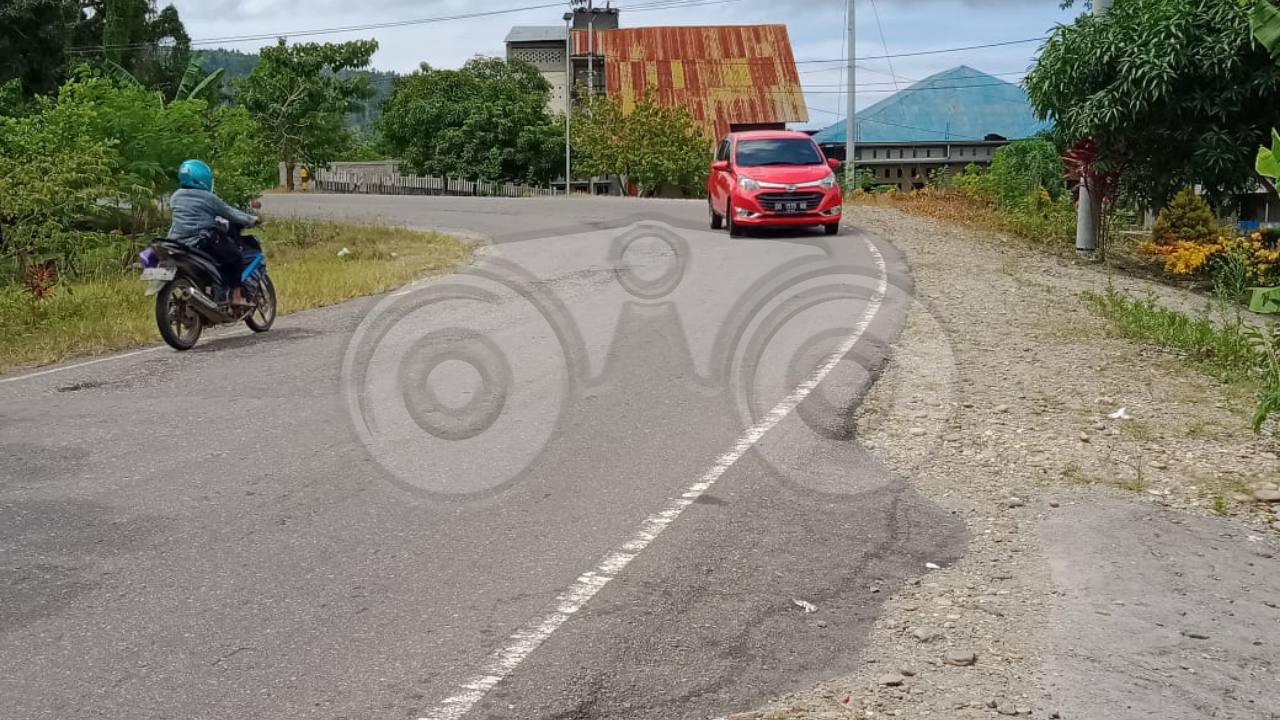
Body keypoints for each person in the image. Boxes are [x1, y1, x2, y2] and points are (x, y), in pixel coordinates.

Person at [166, 159, 258, 306]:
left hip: (177, 242)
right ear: (203, 178)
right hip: (201, 241)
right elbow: (230, 213)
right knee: (235, 258)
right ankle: (236, 296)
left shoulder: (175, 197)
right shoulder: (208, 198)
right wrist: (252, 219)